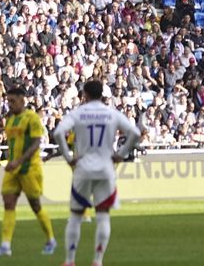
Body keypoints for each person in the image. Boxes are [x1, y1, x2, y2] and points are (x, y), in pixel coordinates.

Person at [53, 80, 142, 266]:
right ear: (102, 94)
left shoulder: (78, 113)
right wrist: (121, 155)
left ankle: (70, 261)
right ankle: (98, 260)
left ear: (85, 94)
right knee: (103, 215)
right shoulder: (111, 113)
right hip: (105, 168)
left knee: (76, 216)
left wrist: (68, 158)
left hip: (83, 168)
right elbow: (134, 133)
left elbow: (58, 133)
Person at [0, 85, 57, 257]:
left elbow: (36, 143)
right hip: (13, 168)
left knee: (35, 205)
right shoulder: (10, 119)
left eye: (13, 101)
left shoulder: (32, 118)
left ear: (22, 99)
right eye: (8, 101)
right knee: (8, 202)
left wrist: (19, 160)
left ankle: (51, 239)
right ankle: (5, 246)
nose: (10, 105)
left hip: (29, 168)